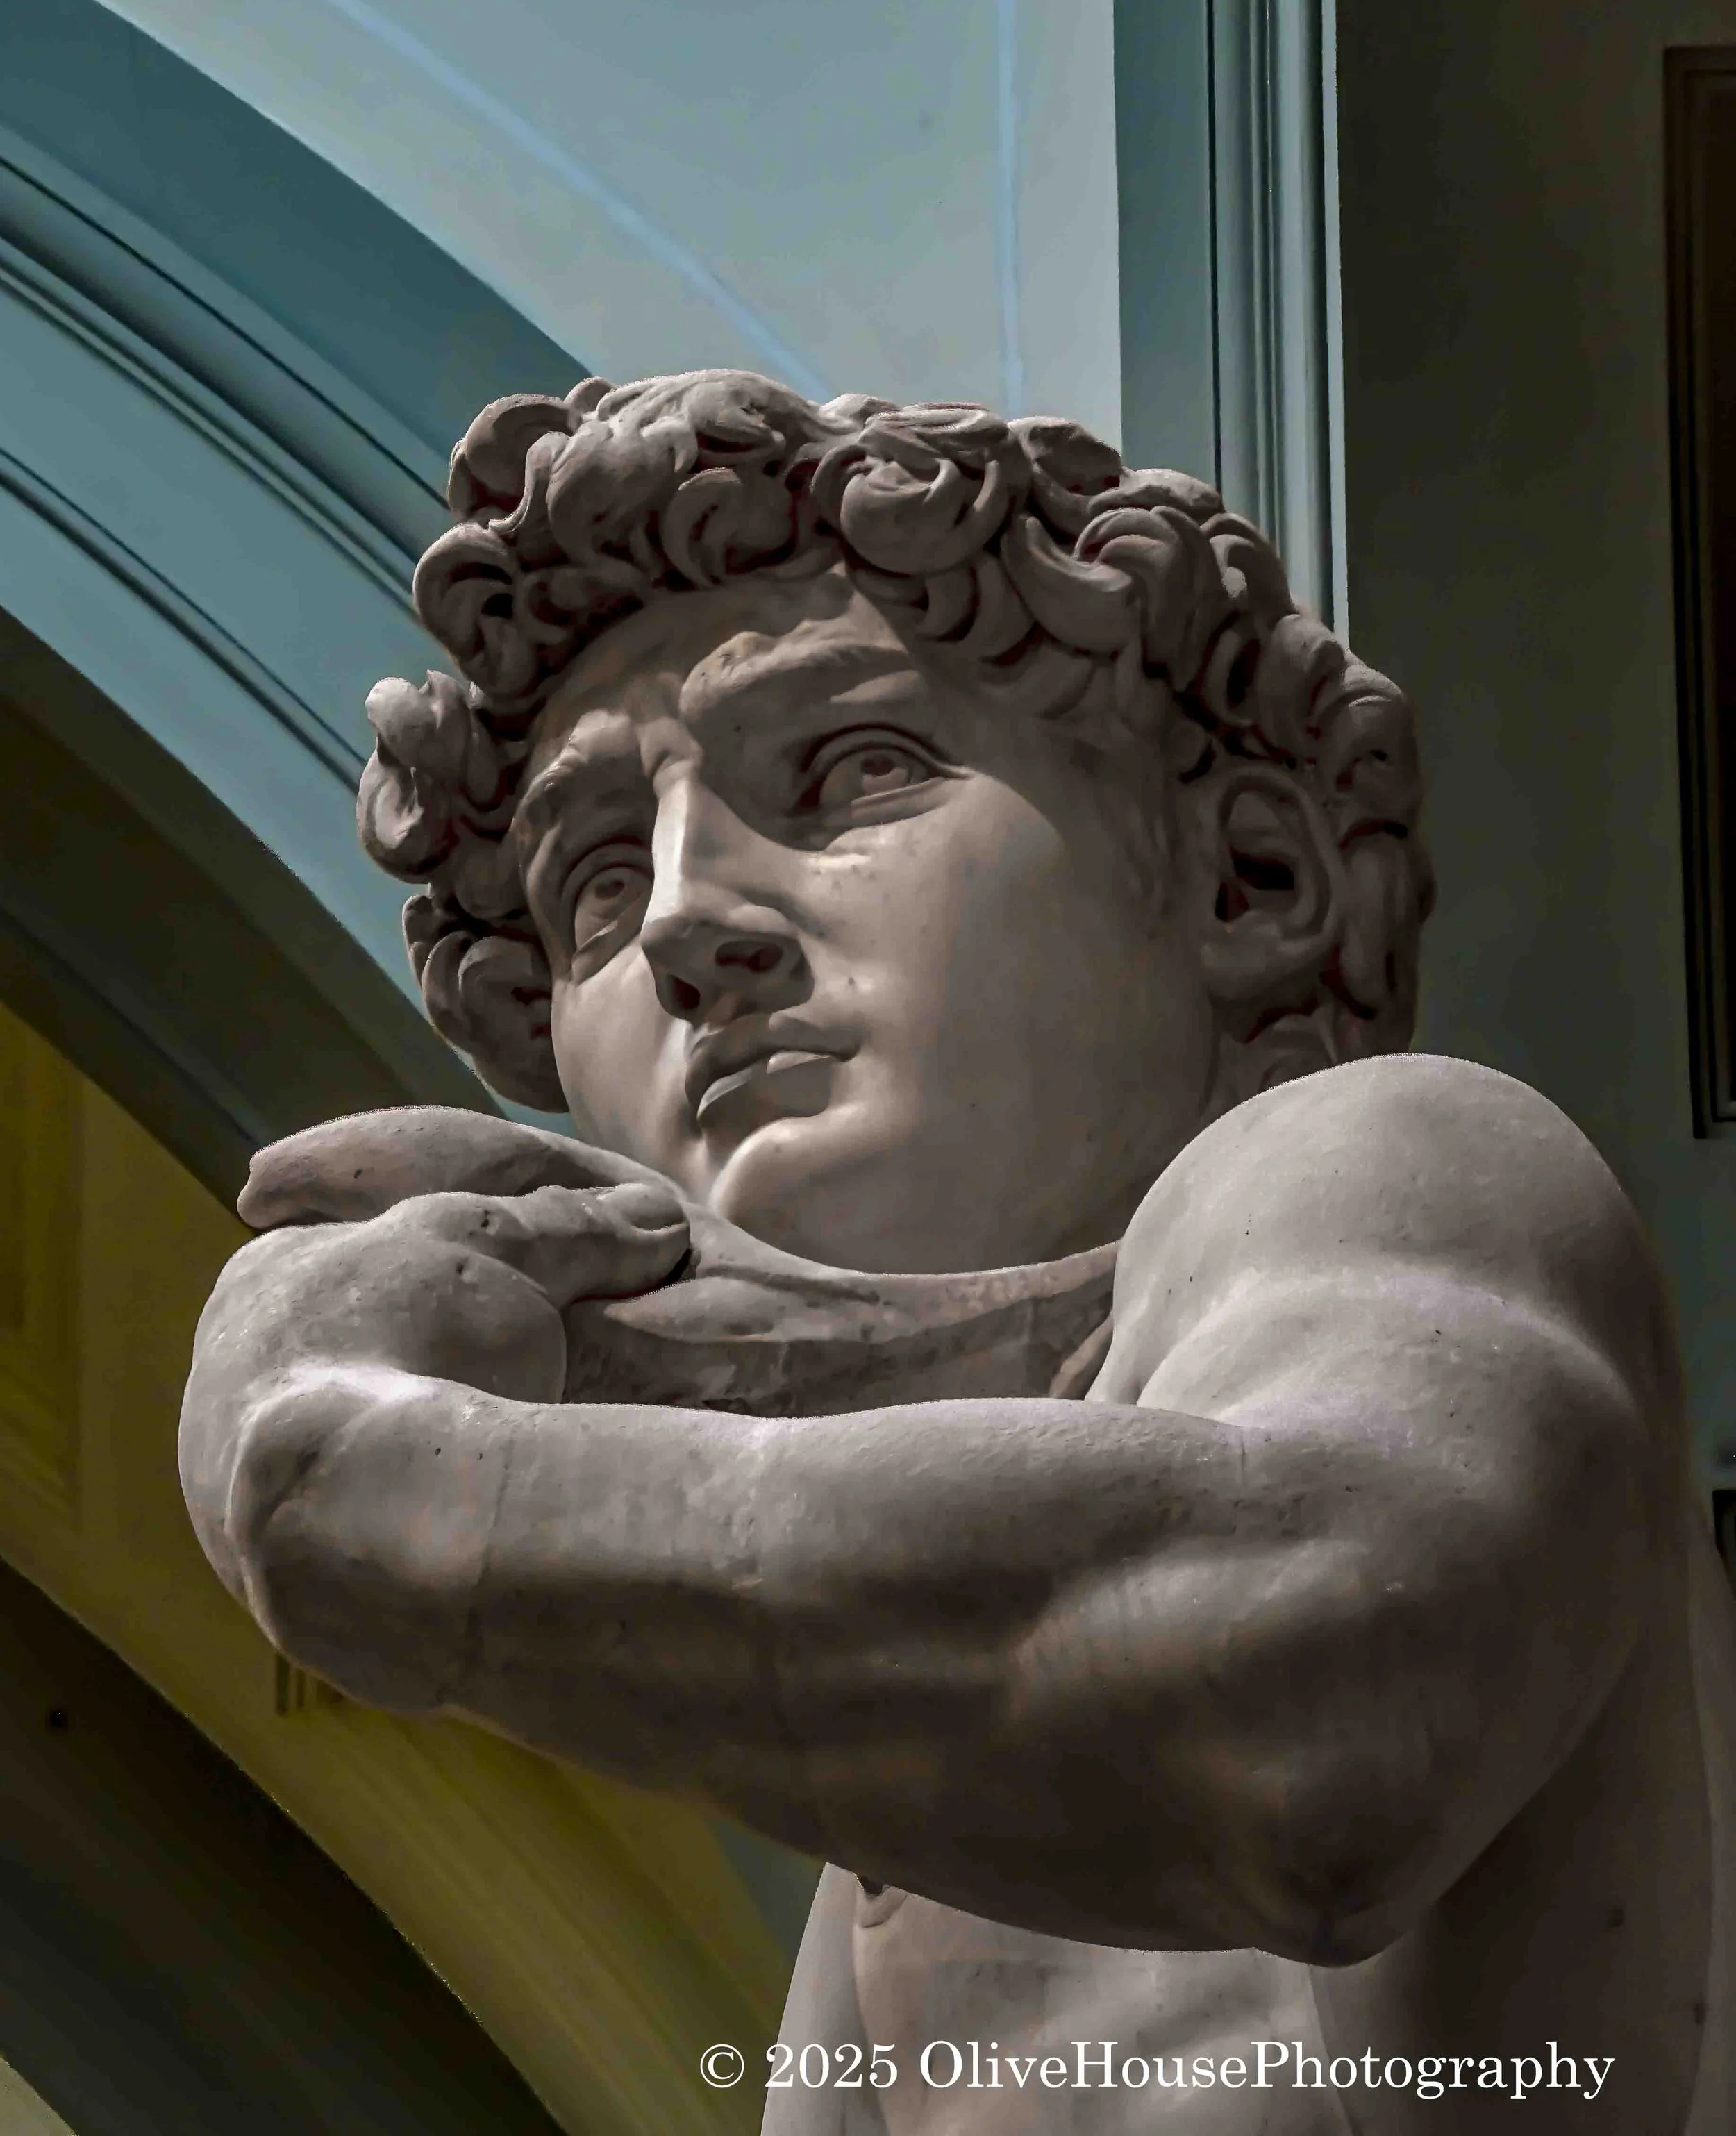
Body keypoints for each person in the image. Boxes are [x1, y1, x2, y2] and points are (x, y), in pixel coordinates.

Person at [182, 372, 1735, 2132]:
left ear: (1246, 882)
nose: (683, 918)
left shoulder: (1389, 1164)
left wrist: (406, 1492)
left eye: (851, 769)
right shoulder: (905, 1822)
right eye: (597, 885)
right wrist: (662, 1354)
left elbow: (1325, 1694)